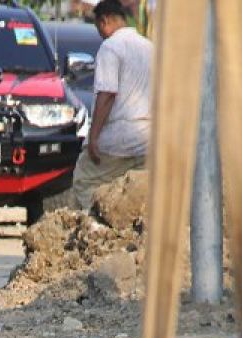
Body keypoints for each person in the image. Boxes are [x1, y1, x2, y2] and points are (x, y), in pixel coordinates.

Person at [71, 0, 152, 211]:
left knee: (84, 180)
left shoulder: (111, 47)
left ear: (104, 21)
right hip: (148, 140)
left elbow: (107, 94)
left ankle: (96, 224)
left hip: (118, 139)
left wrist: (94, 137)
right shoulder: (150, 48)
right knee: (139, 195)